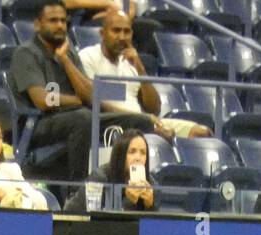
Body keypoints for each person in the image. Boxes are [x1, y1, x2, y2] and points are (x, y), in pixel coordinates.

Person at [8, 1, 153, 183]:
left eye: (63, 20)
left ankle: (132, 187)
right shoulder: (27, 53)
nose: (60, 25)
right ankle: (78, 189)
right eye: (53, 20)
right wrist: (76, 100)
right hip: (38, 124)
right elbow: (43, 100)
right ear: (38, 24)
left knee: (140, 121)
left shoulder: (69, 53)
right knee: (84, 118)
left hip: (76, 117)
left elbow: (90, 95)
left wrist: (65, 61)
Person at [77, 11, 208, 141]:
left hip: (144, 121)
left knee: (201, 133)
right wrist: (140, 119)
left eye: (126, 31)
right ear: (102, 33)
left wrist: (140, 68)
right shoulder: (88, 57)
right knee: (156, 135)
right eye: (116, 31)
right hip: (115, 125)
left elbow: (154, 108)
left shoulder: (131, 62)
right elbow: (92, 100)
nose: (122, 37)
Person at [62, 127, 155, 211]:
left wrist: (150, 206)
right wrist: (129, 201)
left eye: (143, 153)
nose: (138, 158)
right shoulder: (100, 178)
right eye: (132, 152)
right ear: (121, 154)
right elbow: (74, 212)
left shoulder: (150, 183)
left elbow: (157, 227)